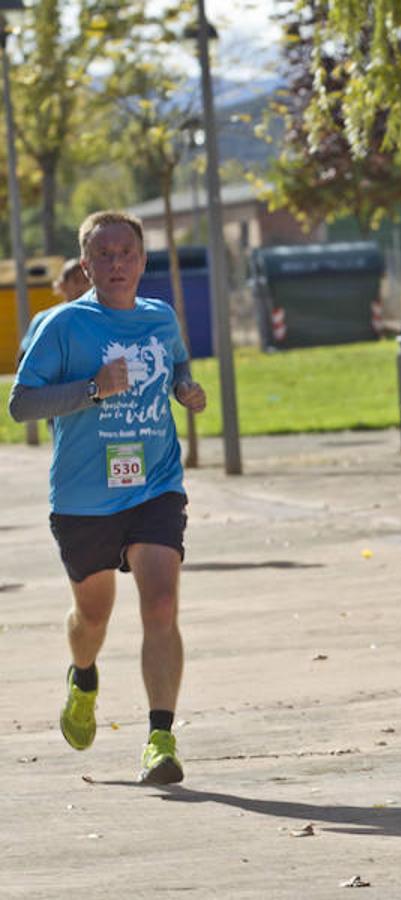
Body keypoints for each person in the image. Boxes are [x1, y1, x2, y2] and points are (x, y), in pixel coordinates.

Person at [8, 211, 207, 784]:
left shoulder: (160, 317)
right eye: (105, 254)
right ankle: (83, 675)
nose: (117, 263)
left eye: (127, 253)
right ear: (86, 263)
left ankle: (161, 739)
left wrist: (183, 388)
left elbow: (176, 364)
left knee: (162, 604)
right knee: (93, 617)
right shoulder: (61, 326)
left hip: (155, 486)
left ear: (143, 260)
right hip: (84, 497)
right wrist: (94, 389)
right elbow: (21, 404)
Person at [15, 258, 92, 366]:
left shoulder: (99, 318)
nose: (82, 287)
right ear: (62, 285)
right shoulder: (44, 318)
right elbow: (23, 360)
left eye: (86, 281)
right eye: (76, 280)